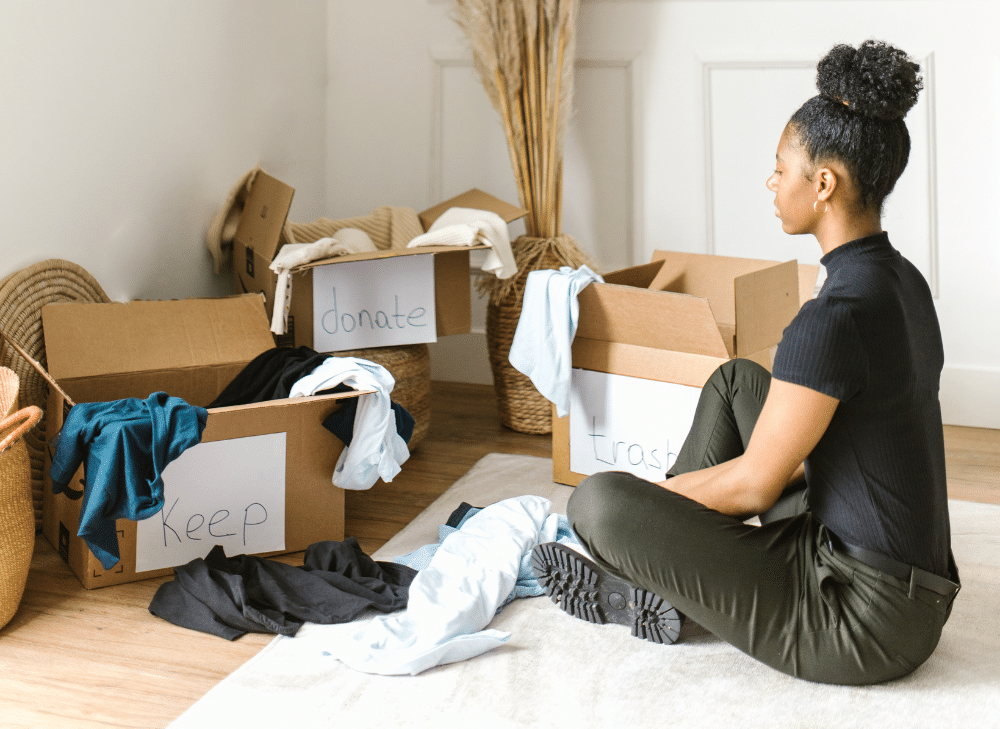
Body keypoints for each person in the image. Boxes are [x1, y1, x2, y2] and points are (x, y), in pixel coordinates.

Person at [531, 39, 960, 686]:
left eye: (780, 167)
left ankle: (648, 577)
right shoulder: (903, 282)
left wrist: (650, 503)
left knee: (596, 503)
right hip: (902, 583)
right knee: (736, 382)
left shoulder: (831, 317)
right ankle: (667, 569)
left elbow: (757, 486)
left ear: (823, 184)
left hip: (863, 623)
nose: (772, 182)